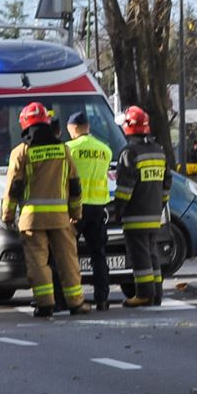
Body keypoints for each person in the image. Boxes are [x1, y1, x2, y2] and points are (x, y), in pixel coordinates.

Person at [3, 101, 88, 317]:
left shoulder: (21, 152)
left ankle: (45, 304)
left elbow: (14, 188)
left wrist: (8, 215)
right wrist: (76, 214)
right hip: (60, 218)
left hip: (32, 220)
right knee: (68, 260)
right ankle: (76, 303)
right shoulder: (63, 150)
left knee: (38, 262)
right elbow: (75, 185)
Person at [112, 106, 171, 307]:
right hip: (154, 214)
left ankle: (145, 294)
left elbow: (124, 189)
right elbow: (166, 183)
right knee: (152, 253)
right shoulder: (158, 151)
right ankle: (156, 293)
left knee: (140, 255)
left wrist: (118, 210)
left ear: (129, 127)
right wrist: (160, 205)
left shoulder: (130, 153)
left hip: (135, 214)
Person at [65, 110, 116, 308]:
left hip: (75, 209)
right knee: (98, 255)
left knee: (69, 255)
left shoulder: (69, 148)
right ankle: (102, 299)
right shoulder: (105, 150)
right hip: (98, 208)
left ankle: (69, 299)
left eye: (69, 130)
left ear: (75, 128)